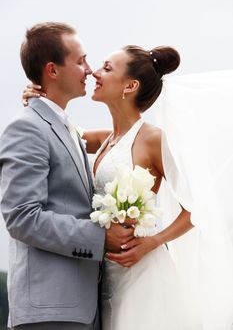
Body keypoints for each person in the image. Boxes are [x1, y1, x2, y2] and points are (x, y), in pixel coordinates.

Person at [23, 44, 197, 329]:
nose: (94, 73)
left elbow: (194, 208)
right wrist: (37, 100)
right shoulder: (105, 138)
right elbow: (57, 132)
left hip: (143, 277)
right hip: (105, 279)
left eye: (106, 67)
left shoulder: (153, 139)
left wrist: (152, 242)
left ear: (130, 85)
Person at [0, 22, 135, 330]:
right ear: (52, 70)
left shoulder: (63, 127)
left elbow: (115, 138)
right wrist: (102, 237)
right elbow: (22, 217)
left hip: (82, 307)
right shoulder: (27, 128)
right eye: (80, 61)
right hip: (51, 310)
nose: (89, 70)